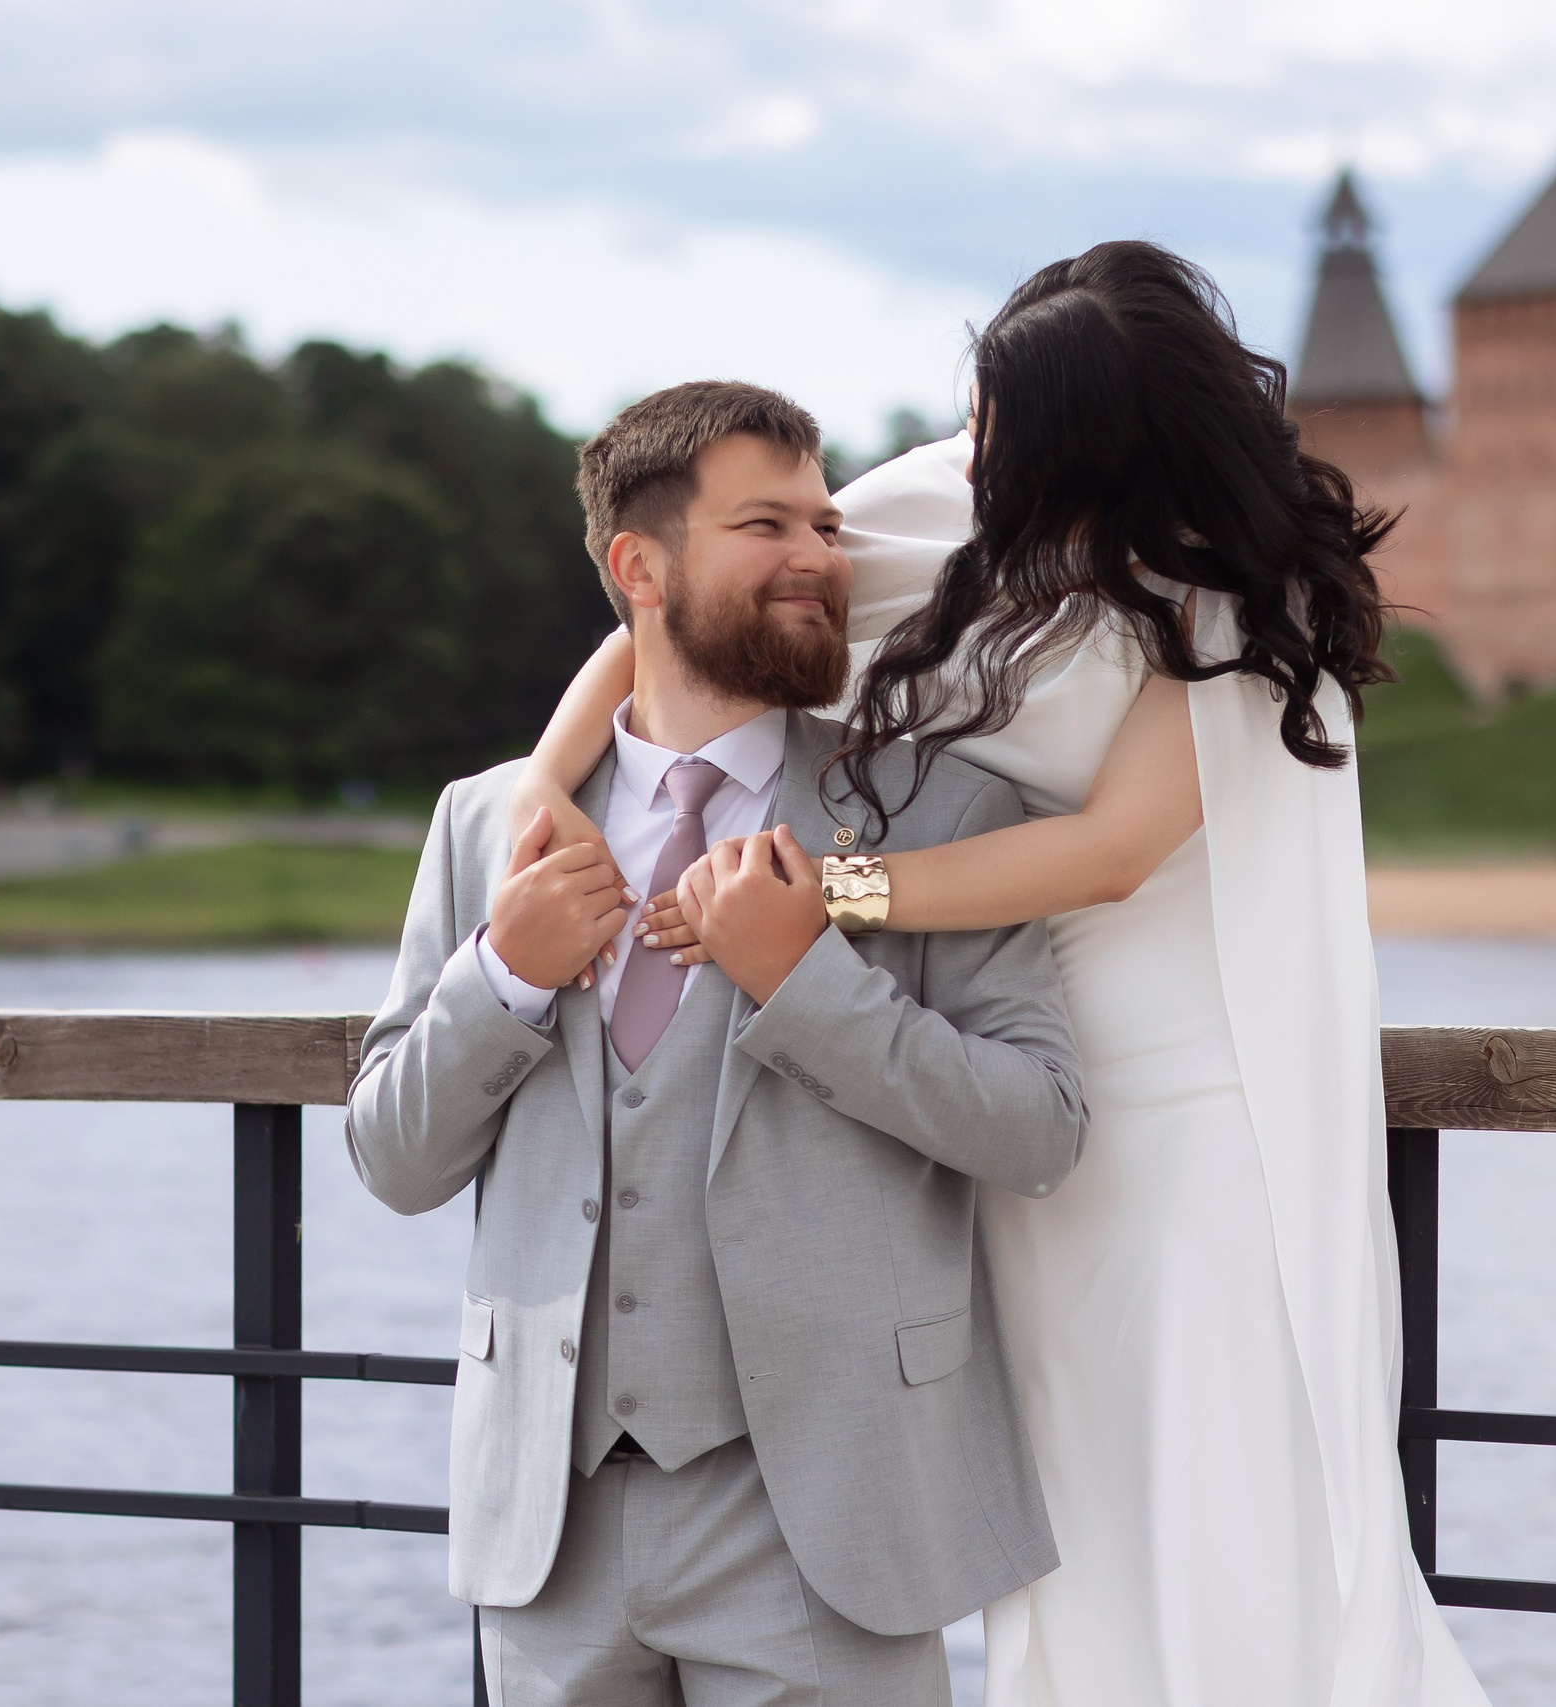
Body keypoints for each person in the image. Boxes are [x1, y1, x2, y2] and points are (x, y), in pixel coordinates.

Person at [513, 243, 1492, 1705]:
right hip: (995, 1062)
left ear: (1090, 443)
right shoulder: (954, 500)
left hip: (1185, 1111)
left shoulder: (1239, 599)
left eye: (998, 422)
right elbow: (643, 623)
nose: (969, 443)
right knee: (1052, 1515)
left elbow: (1109, 852)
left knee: (1203, 1488)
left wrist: (827, 901)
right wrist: (548, 788)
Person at [349, 380, 1089, 1706]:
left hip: (827, 1522)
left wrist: (809, 983)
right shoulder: (486, 828)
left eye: (825, 523)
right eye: (769, 526)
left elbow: (1038, 1127)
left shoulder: (943, 811)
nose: (820, 557)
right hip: (550, 1535)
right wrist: (502, 977)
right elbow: (395, 1158)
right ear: (642, 565)